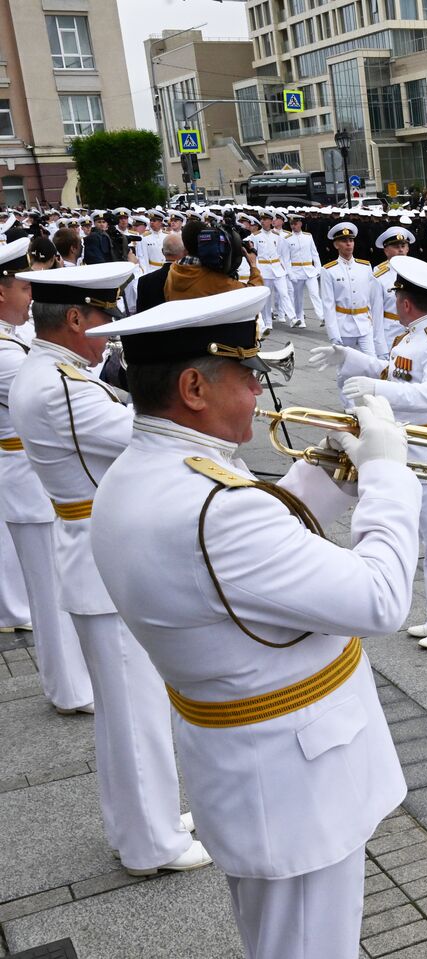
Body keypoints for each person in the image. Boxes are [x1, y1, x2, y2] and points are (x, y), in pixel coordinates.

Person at [88, 286, 418, 957]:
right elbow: (381, 597)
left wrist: (325, 470)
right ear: (193, 386)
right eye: (249, 375)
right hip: (296, 783)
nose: (262, 395)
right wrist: (387, 478)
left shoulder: (148, 470)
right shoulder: (214, 505)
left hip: (254, 771)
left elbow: (239, 564)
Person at [9, 262, 210, 877]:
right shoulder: (59, 386)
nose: (109, 330)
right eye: (102, 317)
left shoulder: (50, 371)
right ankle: (151, 843)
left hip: (96, 550)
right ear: (74, 319)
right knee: (135, 713)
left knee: (129, 715)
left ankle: (139, 824)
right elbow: (151, 436)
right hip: (103, 559)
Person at [310, 257, 427, 650]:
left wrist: (377, 391)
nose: (395, 302)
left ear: (407, 303)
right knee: (424, 535)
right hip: (408, 443)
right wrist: (352, 359)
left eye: (397, 295)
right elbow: (395, 372)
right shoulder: (412, 335)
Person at [0, 236, 92, 713]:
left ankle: (71, 684)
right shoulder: (7, 354)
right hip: (26, 481)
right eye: (23, 288)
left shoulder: (12, 343)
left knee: (53, 591)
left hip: (28, 480)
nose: (29, 299)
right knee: (51, 595)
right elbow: (70, 398)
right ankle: (69, 688)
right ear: (2, 292)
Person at [319, 221, 377, 355]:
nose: (348, 244)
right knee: (345, 369)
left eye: (351, 240)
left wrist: (373, 322)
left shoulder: (365, 267)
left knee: (372, 363)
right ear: (336, 245)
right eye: (344, 241)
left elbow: (372, 298)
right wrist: (333, 334)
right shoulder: (328, 270)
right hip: (343, 325)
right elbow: (328, 303)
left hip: (364, 324)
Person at [135, 232, 185, 313]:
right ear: (184, 252)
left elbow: (140, 313)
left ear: (162, 251)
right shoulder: (189, 277)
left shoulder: (144, 281)